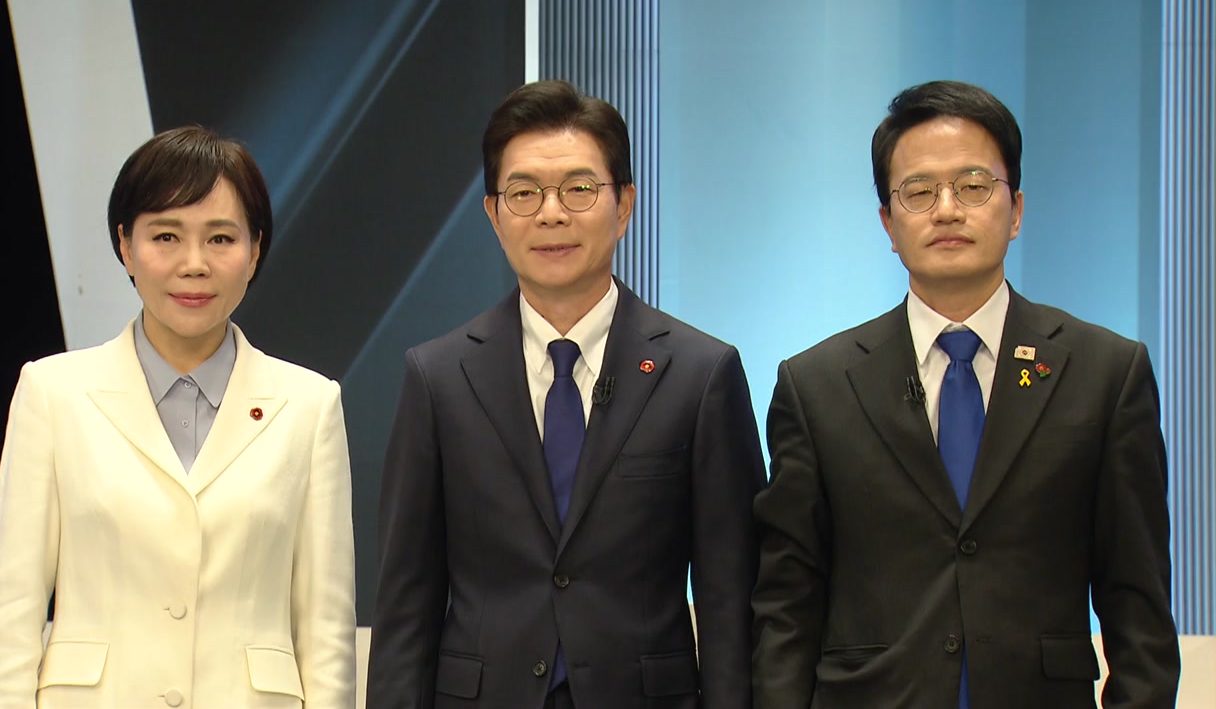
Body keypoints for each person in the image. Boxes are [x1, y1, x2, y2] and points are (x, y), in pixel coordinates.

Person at [751, 79, 1181, 709]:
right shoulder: (816, 386)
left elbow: (1138, 607)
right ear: (887, 222)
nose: (947, 209)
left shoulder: (1106, 374)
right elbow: (786, 609)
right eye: (919, 191)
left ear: (1017, 210)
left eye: (974, 186)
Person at [368, 80, 766, 709]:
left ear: (624, 204)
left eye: (579, 189)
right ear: (494, 214)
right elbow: (405, 603)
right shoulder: (438, 376)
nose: (551, 214)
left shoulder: (701, 373)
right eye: (524, 193)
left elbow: (730, 597)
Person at [0, 126, 357, 708]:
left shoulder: (309, 405)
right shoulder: (53, 393)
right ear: (126, 246)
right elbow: (13, 614)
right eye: (166, 236)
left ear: (255, 250)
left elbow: (326, 629)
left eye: (221, 238)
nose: (194, 264)